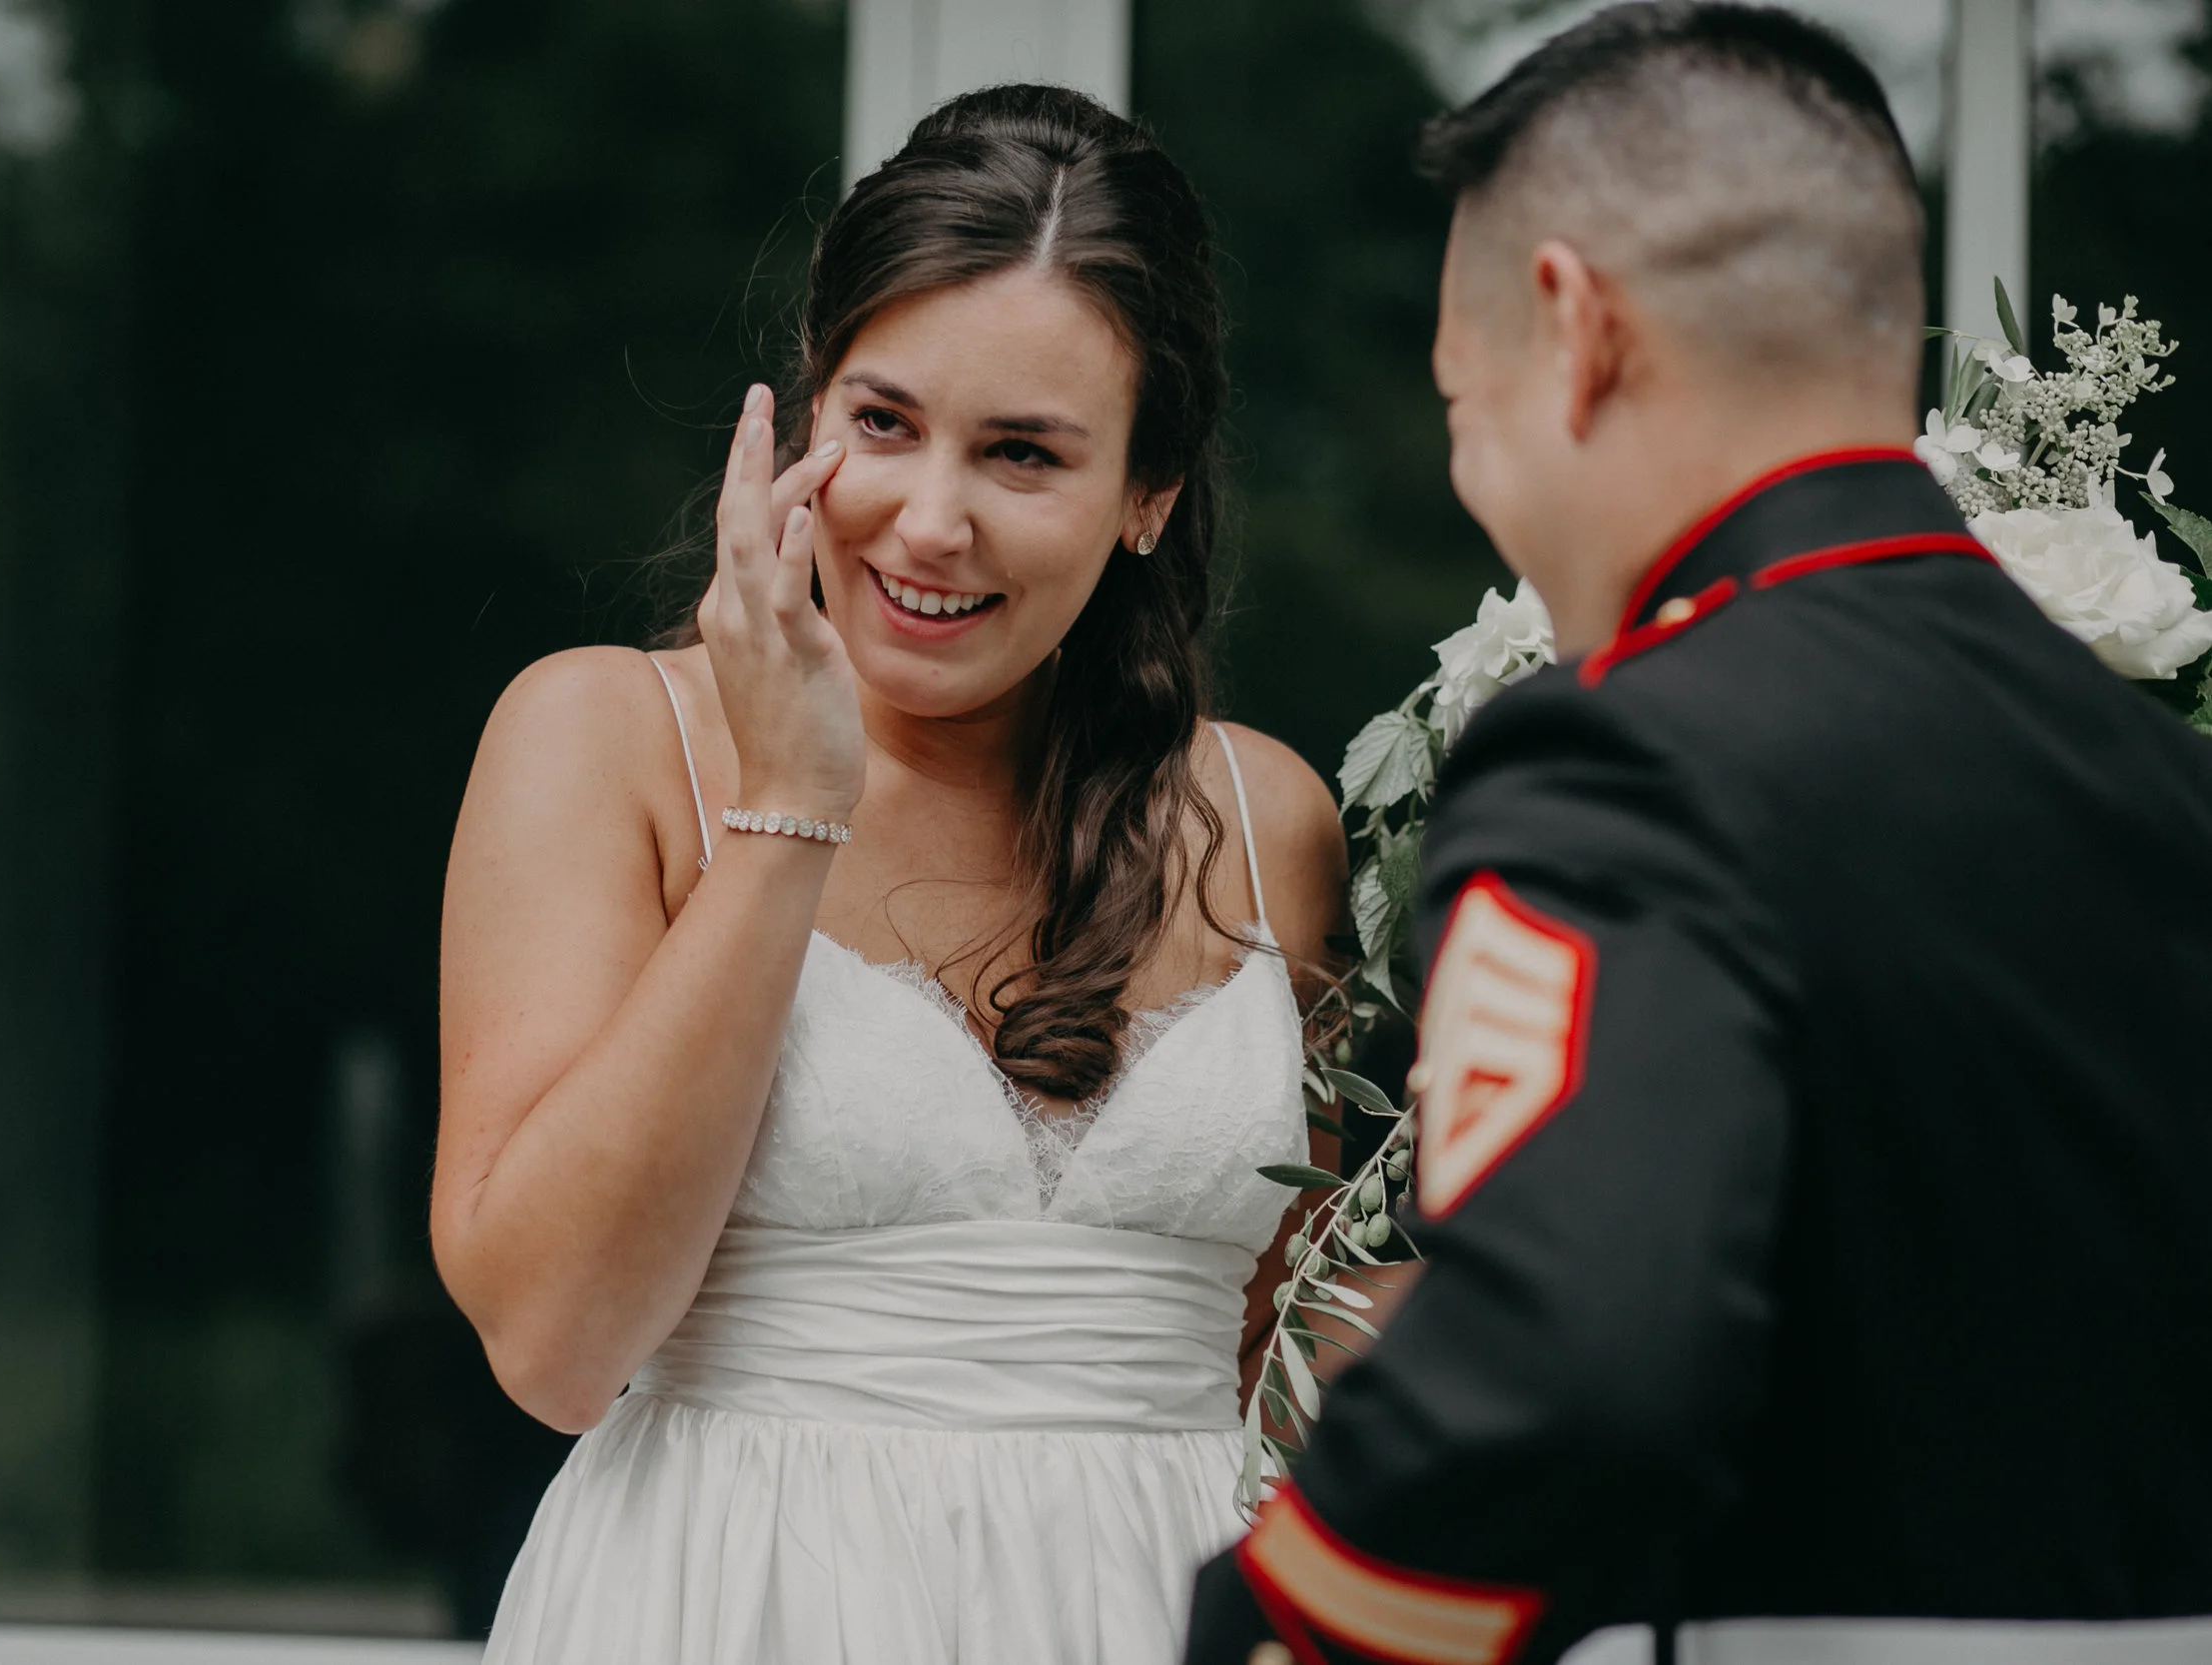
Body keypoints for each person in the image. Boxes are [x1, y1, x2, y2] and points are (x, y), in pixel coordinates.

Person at [1185, 6, 2212, 1663]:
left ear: (1572, 328)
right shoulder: (2166, 786)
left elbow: (1568, 1371)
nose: (1468, 467)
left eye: (1463, 402)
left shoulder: (1624, 759)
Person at [433, 84, 1349, 1665]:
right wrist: (792, 803)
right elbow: (560, 1344)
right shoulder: (600, 740)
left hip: (1161, 1609)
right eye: (882, 423)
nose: (930, 522)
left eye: (1023, 454)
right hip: (735, 1605)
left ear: (1150, 495)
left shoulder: (1270, 821)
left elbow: (1306, 1354)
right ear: (801, 416)